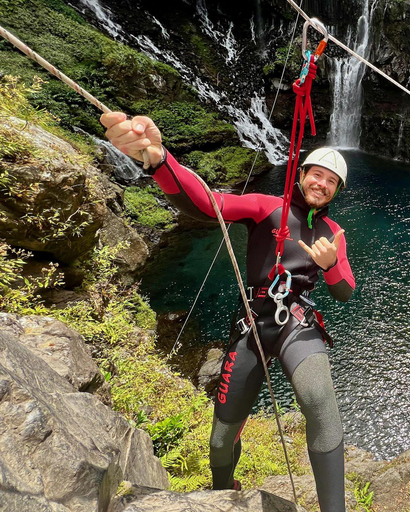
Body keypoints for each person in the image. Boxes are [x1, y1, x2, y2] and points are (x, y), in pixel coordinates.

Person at [101, 113, 354, 511]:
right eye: (315, 175)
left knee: (320, 403)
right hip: (252, 322)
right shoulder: (266, 207)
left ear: (336, 190)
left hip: (296, 324)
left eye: (331, 181)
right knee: (221, 438)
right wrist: (160, 160)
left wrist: (331, 265)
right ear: (301, 174)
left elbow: (344, 292)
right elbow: (208, 204)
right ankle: (224, 494)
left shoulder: (332, 234)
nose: (321, 184)